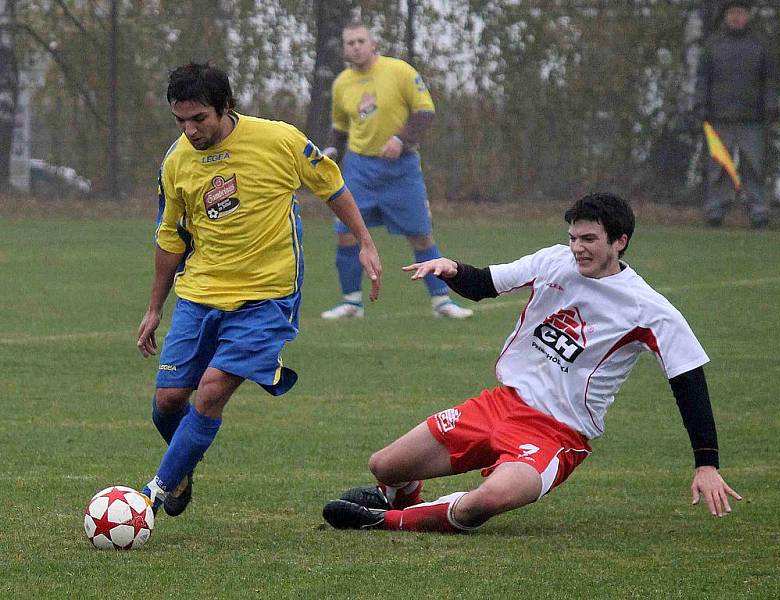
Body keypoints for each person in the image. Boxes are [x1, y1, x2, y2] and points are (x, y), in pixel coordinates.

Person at [323, 193, 741, 533]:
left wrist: (707, 462)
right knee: (384, 465)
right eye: (574, 237)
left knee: (487, 501)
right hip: (500, 405)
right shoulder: (553, 261)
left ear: (620, 241)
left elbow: (688, 379)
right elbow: (485, 283)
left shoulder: (649, 309)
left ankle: (385, 521)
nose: (578, 247)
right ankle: (402, 498)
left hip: (556, 433)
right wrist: (451, 269)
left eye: (590, 239)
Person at [136, 62, 381, 515]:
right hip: (200, 293)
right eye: (180, 121)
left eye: (199, 119)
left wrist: (365, 241)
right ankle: (182, 467)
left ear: (225, 106)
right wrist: (155, 308)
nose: (189, 131)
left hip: (266, 297)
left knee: (210, 392)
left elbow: (332, 185)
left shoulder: (279, 140)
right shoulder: (175, 163)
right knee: (167, 402)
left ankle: (150, 495)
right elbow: (170, 237)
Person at [320, 22, 473, 320]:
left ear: (373, 43)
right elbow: (340, 128)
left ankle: (442, 302)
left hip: (401, 169)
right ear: (344, 49)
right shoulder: (341, 84)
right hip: (360, 168)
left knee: (420, 236)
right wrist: (331, 151)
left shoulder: (399, 71)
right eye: (349, 42)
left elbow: (425, 111)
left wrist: (401, 140)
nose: (355, 46)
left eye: (361, 40)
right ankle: (352, 303)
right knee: (346, 234)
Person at [694, 0, 779, 228]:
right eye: (732, 13)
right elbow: (702, 80)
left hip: (754, 119)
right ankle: (715, 211)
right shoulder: (713, 46)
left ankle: (759, 211)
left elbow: (770, 81)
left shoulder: (760, 46)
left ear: (748, 16)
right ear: (725, 17)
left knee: (754, 167)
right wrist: (700, 106)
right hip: (719, 118)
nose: (736, 17)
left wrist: (771, 106)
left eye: (740, 13)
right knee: (718, 168)